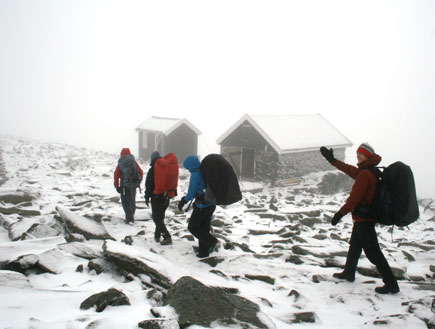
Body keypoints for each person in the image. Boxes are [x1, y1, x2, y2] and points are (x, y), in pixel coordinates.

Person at [320, 143, 400, 294]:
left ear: (368, 156)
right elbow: (350, 170)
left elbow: (353, 199)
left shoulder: (365, 174)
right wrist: (333, 160)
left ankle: (391, 283)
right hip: (363, 217)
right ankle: (349, 272)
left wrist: (340, 214)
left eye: (361, 154)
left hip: (365, 218)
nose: (358, 156)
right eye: (357, 154)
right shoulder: (369, 171)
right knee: (355, 246)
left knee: (373, 252)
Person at [177, 155, 218, 258]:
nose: (188, 170)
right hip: (211, 204)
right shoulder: (204, 171)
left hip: (202, 206)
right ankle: (204, 252)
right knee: (203, 228)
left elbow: (191, 193)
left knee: (193, 227)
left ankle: (211, 241)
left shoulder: (195, 175)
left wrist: (183, 201)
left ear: (191, 167)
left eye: (188, 168)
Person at [144, 151, 172, 245]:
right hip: (166, 197)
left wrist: (146, 197)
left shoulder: (152, 170)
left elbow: (149, 185)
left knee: (157, 218)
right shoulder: (167, 168)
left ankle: (166, 236)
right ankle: (157, 235)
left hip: (156, 197)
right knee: (160, 217)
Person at [114, 148, 143, 224]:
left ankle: (129, 218)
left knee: (125, 202)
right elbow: (141, 172)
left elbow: (116, 174)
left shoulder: (121, 163)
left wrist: (117, 186)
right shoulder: (133, 162)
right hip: (133, 186)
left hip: (124, 186)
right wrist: (138, 182)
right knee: (132, 201)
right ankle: (131, 216)